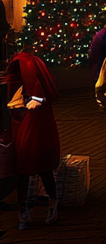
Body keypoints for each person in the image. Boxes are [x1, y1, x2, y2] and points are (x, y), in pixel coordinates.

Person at [7, 45, 61, 227]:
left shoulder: (22, 69)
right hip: (39, 124)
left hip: (29, 124)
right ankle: (51, 206)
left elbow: (28, 98)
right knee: (42, 168)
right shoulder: (35, 66)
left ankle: (24, 211)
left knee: (26, 169)